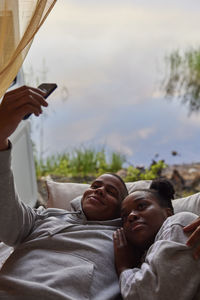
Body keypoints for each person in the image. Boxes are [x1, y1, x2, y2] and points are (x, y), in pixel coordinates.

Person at [0, 86, 200, 299]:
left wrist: (125, 265)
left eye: (111, 191)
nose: (99, 191)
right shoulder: (42, 218)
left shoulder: (127, 242)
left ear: (119, 214)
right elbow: (5, 211)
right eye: (95, 186)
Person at [113, 179, 200, 300]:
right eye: (124, 217)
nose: (131, 216)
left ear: (168, 213)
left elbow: (158, 294)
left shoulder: (179, 223)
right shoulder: (143, 260)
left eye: (141, 206)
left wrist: (123, 268)